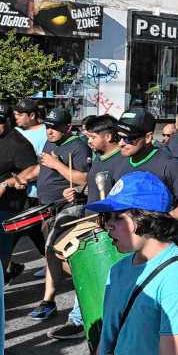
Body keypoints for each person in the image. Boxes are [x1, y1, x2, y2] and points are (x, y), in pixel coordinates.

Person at [90, 171, 178, 354]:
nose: (108, 226)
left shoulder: (177, 275)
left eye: (118, 217)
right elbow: (108, 337)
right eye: (107, 218)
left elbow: (171, 351)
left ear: (147, 217)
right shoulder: (117, 270)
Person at [51, 114, 128, 340]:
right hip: (89, 221)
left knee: (103, 274)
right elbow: (93, 189)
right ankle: (84, 317)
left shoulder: (122, 162)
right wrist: (77, 195)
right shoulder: (98, 158)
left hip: (108, 228)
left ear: (109, 135)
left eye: (93, 136)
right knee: (71, 262)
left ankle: (89, 320)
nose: (90, 141)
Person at [31, 108, 92, 321]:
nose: (50, 131)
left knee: (56, 251)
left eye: (55, 127)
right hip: (47, 207)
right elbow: (43, 168)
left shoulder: (78, 147)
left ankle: (88, 284)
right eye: (48, 126)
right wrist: (21, 178)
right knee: (51, 253)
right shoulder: (51, 143)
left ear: (68, 127)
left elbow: (85, 179)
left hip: (68, 208)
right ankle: (50, 300)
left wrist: (57, 164)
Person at [116, 109, 178, 249]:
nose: (121, 143)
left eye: (129, 138)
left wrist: (162, 222)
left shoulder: (169, 164)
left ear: (148, 137)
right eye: (118, 136)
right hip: (135, 242)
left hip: (167, 243)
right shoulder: (120, 164)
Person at [0, 103, 39, 282]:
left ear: (8, 121)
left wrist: (9, 182)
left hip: (6, 207)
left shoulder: (18, 143)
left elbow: (33, 168)